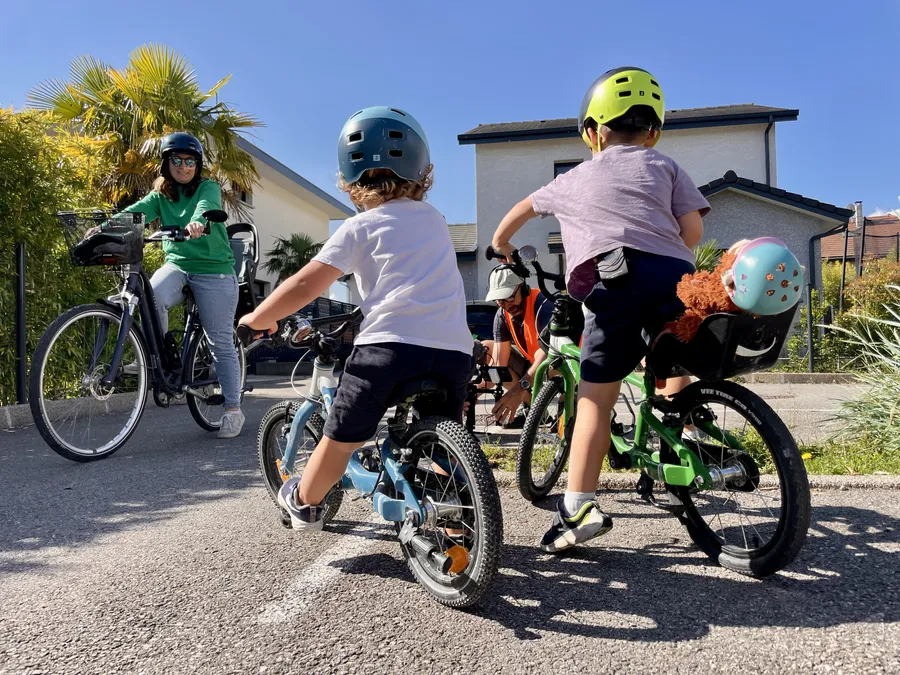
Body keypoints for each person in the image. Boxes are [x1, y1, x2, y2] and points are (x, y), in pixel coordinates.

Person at [490, 67, 709, 552]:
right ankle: (687, 436)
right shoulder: (667, 167)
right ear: (653, 131)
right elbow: (693, 233)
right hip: (674, 278)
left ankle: (578, 509)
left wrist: (501, 245)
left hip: (616, 282)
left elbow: (519, 213)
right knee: (669, 358)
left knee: (595, 397)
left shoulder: (575, 177)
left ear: (592, 132)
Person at [238, 107, 474, 530]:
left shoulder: (360, 227)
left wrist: (257, 317)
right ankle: (457, 518)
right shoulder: (436, 221)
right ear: (422, 170)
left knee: (342, 436)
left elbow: (305, 285)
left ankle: (305, 501)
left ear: (349, 178)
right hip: (454, 351)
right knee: (440, 442)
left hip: (389, 348)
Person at [122, 132, 244, 439]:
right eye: (176, 159)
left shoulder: (208, 186)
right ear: (166, 163)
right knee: (149, 296)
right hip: (177, 265)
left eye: (190, 161)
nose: (183, 166)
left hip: (214, 270)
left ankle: (233, 409)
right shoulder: (160, 196)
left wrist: (199, 221)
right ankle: (159, 359)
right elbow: (134, 213)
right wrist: (102, 228)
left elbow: (207, 205)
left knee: (219, 340)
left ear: (198, 165)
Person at [480, 265, 553, 428]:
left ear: (524, 288)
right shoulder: (502, 315)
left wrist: (519, 389)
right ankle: (534, 409)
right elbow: (499, 366)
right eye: (500, 300)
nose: (506, 305)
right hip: (532, 364)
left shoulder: (544, 305)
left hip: (559, 363)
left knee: (552, 360)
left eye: (509, 297)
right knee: (487, 349)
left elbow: (548, 352)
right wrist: (474, 392)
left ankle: (568, 404)